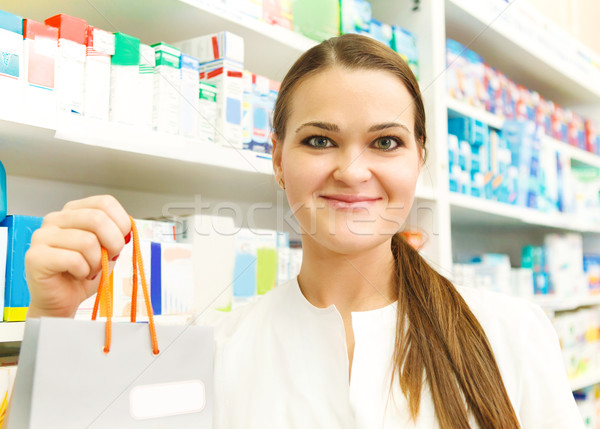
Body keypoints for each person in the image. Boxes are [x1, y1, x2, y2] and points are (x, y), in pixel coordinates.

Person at [25, 34, 582, 428]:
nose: (353, 170)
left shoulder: (510, 334)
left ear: (420, 160)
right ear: (278, 160)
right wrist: (53, 321)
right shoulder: (216, 352)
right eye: (320, 140)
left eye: (386, 142)